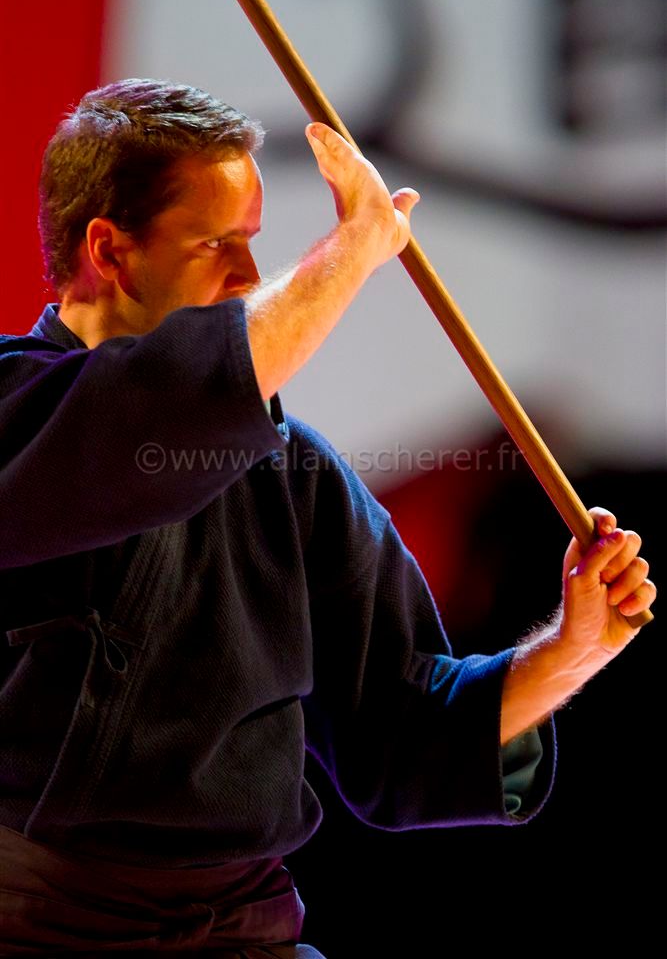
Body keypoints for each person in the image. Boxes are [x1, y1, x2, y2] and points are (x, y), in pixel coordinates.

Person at [0, 79, 656, 956]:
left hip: (243, 933)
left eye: (251, 241)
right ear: (110, 252)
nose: (246, 276)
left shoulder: (293, 473)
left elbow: (406, 732)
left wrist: (572, 649)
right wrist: (350, 251)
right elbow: (160, 411)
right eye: (215, 244)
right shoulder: (17, 411)